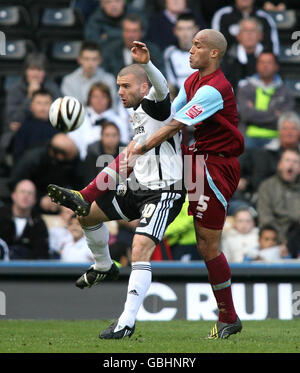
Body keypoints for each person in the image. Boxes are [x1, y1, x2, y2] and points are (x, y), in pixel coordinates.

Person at [47, 42, 185, 339]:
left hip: (164, 192)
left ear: (143, 86)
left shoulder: (156, 105)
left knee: (139, 250)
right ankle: (104, 265)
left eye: (125, 86)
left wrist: (148, 63)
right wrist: (90, 192)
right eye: (118, 86)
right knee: (86, 216)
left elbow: (162, 90)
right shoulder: (135, 114)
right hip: (138, 188)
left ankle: (126, 321)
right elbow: (126, 160)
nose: (119, 92)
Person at [127, 29, 244, 339]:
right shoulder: (192, 82)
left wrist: (140, 148)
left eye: (197, 46)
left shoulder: (214, 89)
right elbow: (170, 115)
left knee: (208, 244)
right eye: (191, 44)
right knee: (203, 243)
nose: (191, 51)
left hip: (216, 165)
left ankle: (229, 317)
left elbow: (177, 124)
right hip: (196, 160)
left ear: (214, 54)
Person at [9, 134, 82, 214]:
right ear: (60, 156)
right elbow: (16, 184)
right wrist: (39, 199)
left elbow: (78, 183)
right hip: (32, 205)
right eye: (71, 156)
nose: (74, 158)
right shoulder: (32, 159)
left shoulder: (74, 161)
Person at [237, 50, 295, 148]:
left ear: (276, 66)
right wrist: (274, 114)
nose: (265, 66)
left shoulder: (285, 92)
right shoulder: (245, 89)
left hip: (276, 137)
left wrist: (254, 114)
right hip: (249, 136)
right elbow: (246, 115)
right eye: (262, 62)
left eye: (269, 62)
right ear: (256, 65)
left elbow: (284, 118)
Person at [67, 82, 131, 160]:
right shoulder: (79, 120)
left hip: (113, 164)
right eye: (95, 96)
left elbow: (123, 146)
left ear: (109, 99)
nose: (99, 100)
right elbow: (72, 144)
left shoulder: (119, 121)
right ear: (89, 99)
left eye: (103, 97)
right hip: (85, 163)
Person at [5, 53, 61, 128]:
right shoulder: (15, 89)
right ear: (25, 71)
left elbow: (61, 115)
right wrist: (30, 97)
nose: (35, 74)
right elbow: (14, 118)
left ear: (45, 73)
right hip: (22, 130)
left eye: (39, 70)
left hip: (47, 128)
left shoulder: (52, 88)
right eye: (32, 69)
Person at [257, 149, 300, 243]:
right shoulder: (267, 186)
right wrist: (283, 241)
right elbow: (266, 218)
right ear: (279, 165)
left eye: (295, 161)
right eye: (287, 160)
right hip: (275, 240)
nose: (291, 164)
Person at [103, 14, 165, 78]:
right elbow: (105, 75)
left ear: (142, 33)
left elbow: (161, 75)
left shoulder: (152, 51)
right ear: (122, 32)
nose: (131, 35)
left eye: (134, 31)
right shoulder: (111, 50)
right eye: (127, 31)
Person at [0, 180, 49, 259]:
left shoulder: (38, 223)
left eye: (30, 193)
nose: (25, 196)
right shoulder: (1, 216)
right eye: (22, 192)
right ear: (14, 195)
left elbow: (42, 253)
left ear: (34, 200)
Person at [60, 41, 118, 108]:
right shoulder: (69, 81)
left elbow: (113, 107)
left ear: (100, 60)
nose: (90, 63)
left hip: (105, 118)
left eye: (94, 59)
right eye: (86, 59)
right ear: (79, 60)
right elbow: (70, 110)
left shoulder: (109, 80)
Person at [211, 0, 279, 55]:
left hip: (260, 64)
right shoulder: (223, 15)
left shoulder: (264, 17)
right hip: (229, 64)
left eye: (252, 30)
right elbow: (215, 45)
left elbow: (273, 47)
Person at [221, 17, 265, 90]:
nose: (249, 34)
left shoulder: (270, 59)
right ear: (238, 36)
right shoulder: (227, 60)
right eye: (245, 30)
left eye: (253, 30)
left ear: (260, 35)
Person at [13, 89, 57, 162]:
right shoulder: (24, 127)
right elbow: (18, 154)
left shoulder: (58, 126)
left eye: (47, 103)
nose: (43, 107)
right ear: (31, 106)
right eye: (39, 103)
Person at [83, 120, 124, 185]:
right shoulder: (92, 153)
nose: (111, 138)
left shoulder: (125, 152)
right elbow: (89, 178)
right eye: (107, 135)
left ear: (119, 136)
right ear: (101, 136)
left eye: (114, 135)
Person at [164, 13, 198, 90]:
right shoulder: (169, 53)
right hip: (178, 95)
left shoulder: (204, 52)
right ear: (175, 31)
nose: (185, 33)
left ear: (196, 29)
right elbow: (170, 83)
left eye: (189, 28)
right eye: (181, 29)